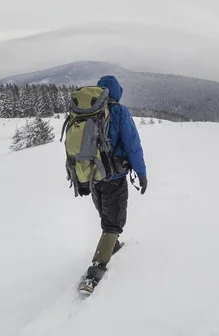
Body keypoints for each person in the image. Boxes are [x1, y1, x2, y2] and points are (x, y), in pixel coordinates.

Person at [79, 75, 148, 292]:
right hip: (113, 178)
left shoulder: (86, 112)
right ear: (116, 92)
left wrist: (79, 177)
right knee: (113, 222)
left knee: (106, 214)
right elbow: (133, 145)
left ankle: (112, 244)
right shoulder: (119, 112)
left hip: (91, 178)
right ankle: (95, 272)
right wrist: (141, 173)